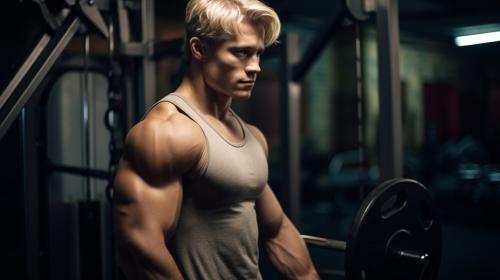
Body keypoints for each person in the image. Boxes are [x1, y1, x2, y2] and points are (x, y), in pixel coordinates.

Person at [113, 0, 319, 279]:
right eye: (241, 53)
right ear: (199, 48)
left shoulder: (252, 137)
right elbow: (140, 246)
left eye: (258, 54)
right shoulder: (166, 133)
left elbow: (277, 230)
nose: (255, 67)